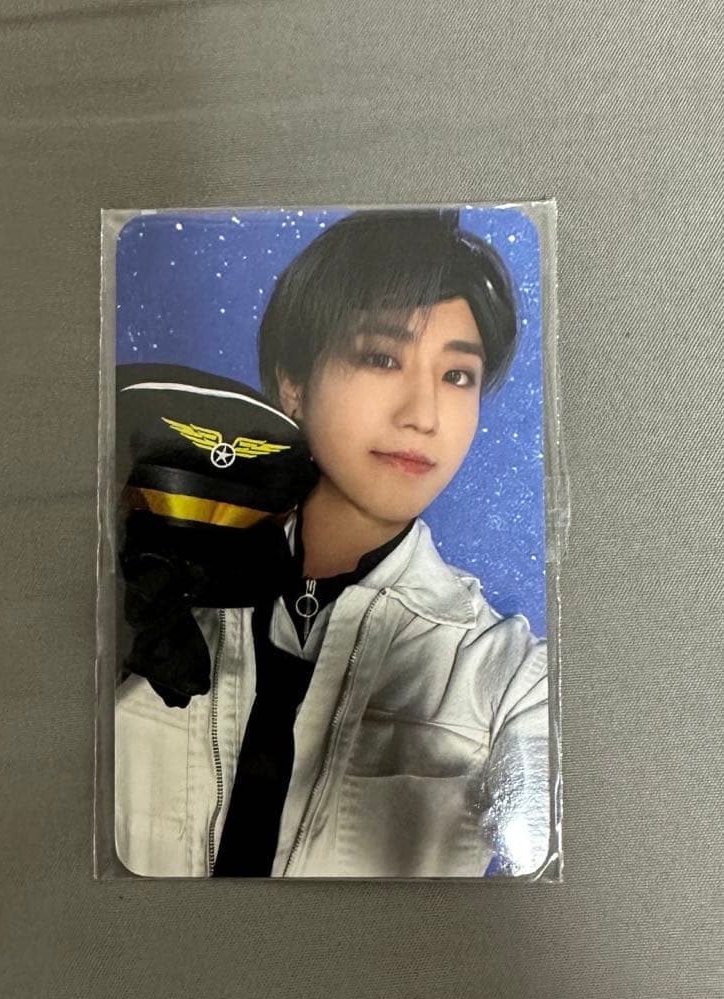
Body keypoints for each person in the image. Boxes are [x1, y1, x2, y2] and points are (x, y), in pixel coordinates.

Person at [115, 209, 551, 878]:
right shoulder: (153, 592)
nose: (424, 415)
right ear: (293, 384)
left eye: (457, 375)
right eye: (382, 358)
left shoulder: (507, 678)